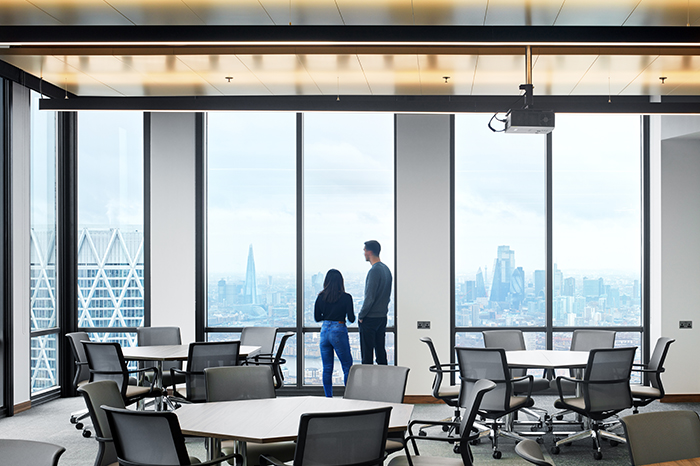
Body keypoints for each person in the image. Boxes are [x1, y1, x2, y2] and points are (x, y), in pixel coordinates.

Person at [314, 269, 355, 397]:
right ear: (340, 282)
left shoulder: (320, 297)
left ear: (326, 282)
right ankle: (349, 396)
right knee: (347, 366)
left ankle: (328, 398)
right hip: (339, 329)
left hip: (325, 331)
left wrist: (327, 316)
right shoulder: (346, 297)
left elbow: (317, 317)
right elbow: (351, 318)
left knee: (327, 368)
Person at [358, 240, 393, 365]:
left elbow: (369, 298)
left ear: (369, 252)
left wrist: (361, 316)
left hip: (370, 319)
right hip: (382, 317)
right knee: (380, 352)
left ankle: (367, 384)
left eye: (364, 250)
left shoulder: (374, 271)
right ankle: (383, 383)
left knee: (367, 356)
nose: (364, 253)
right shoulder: (387, 270)